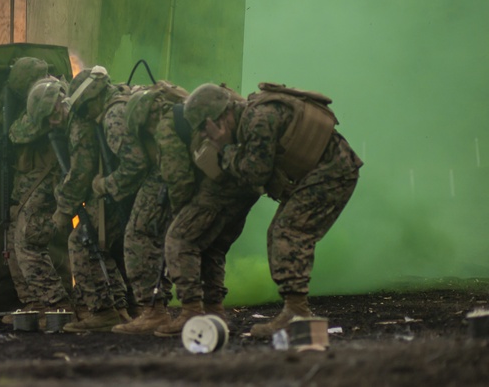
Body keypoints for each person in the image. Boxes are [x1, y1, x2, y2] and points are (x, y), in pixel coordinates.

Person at [183, 82, 363, 339]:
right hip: (329, 171)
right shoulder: (250, 118)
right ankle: (297, 312)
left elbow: (255, 173)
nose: (206, 135)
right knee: (282, 232)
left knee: (288, 232)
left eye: (205, 128)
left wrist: (225, 148)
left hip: (334, 172)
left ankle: (298, 315)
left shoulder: (258, 120)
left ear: (219, 118)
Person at [118, 87, 260, 336]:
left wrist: (179, 212)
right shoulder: (187, 111)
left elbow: (178, 177)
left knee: (180, 239)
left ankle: (190, 312)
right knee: (212, 246)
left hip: (223, 184)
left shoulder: (165, 125)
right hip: (246, 182)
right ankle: (214, 311)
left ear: (146, 118)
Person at [91, 81, 191, 334]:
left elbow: (135, 165)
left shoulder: (113, 115)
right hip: (183, 165)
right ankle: (204, 309)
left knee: (139, 237)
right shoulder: (135, 98)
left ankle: (153, 312)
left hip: (165, 170)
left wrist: (105, 185)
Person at [52, 66, 133, 332]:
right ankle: (121, 308)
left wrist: (63, 209)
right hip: (128, 189)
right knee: (102, 244)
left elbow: (81, 172)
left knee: (81, 243)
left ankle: (104, 311)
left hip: (124, 189)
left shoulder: (107, 116)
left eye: (85, 107)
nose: (85, 114)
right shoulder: (121, 100)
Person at [0, 58, 73, 318]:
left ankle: (56, 303)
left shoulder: (49, 94)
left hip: (48, 182)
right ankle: (35, 303)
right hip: (31, 183)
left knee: (28, 242)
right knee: (13, 241)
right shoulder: (42, 95)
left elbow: (18, 132)